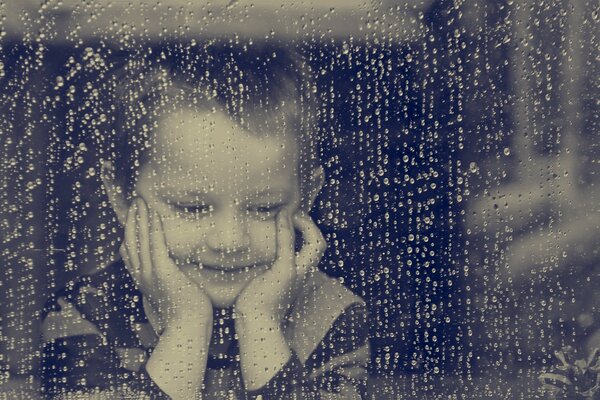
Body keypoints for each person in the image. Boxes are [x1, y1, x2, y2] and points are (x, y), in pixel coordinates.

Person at [39, 44, 370, 399]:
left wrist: (260, 322)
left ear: (306, 197)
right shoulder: (85, 312)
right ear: (121, 196)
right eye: (191, 207)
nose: (230, 240)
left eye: (264, 209)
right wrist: (186, 327)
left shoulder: (332, 315)